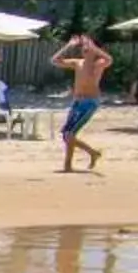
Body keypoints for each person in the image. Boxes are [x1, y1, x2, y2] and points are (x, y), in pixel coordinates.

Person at [52, 31, 111, 174]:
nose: (84, 48)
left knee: (69, 135)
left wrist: (94, 48)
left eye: (87, 45)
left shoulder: (99, 64)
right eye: (83, 46)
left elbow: (109, 60)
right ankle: (70, 164)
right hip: (77, 102)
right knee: (67, 135)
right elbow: (54, 60)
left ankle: (92, 153)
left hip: (90, 103)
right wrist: (69, 45)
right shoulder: (78, 63)